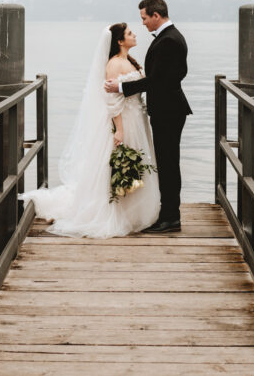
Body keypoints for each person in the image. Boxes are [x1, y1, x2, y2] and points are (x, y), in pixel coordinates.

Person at [20, 23, 160, 238]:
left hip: (136, 118)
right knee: (119, 166)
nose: (135, 34)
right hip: (125, 121)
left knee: (135, 165)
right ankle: (116, 211)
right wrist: (119, 130)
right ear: (120, 41)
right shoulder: (113, 64)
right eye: (130, 33)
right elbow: (112, 101)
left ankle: (134, 211)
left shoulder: (129, 61)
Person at [104, 0, 191, 233]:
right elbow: (171, 76)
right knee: (167, 162)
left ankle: (171, 217)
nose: (142, 23)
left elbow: (158, 81)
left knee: (169, 164)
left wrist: (122, 87)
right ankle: (168, 213)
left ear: (156, 15)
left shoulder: (169, 40)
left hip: (168, 111)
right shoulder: (170, 37)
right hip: (169, 109)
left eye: (144, 18)